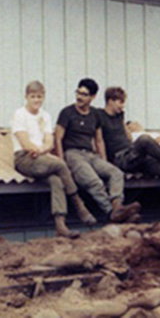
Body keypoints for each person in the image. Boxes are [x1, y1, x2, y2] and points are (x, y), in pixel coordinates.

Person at [11, 81, 96, 239]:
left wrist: (41, 150)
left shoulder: (45, 115)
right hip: (24, 159)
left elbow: (50, 142)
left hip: (42, 158)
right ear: (26, 97)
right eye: (33, 97)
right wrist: (36, 150)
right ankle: (79, 205)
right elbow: (25, 143)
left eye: (39, 96)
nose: (36, 100)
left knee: (56, 181)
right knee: (60, 164)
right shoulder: (20, 114)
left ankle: (60, 225)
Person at [99, 87, 160, 219]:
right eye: (120, 102)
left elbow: (128, 136)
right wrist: (104, 163)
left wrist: (130, 133)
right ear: (110, 101)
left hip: (133, 155)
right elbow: (98, 141)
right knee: (145, 140)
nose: (123, 105)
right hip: (120, 158)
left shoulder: (120, 116)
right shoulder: (99, 116)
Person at [54, 78, 140, 223]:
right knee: (94, 181)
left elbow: (99, 140)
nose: (79, 97)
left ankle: (117, 207)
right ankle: (112, 213)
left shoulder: (95, 115)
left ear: (93, 97)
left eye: (84, 94)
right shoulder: (67, 112)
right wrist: (63, 164)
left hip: (90, 154)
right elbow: (57, 139)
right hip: (73, 154)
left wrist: (104, 162)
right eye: (78, 92)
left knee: (116, 173)